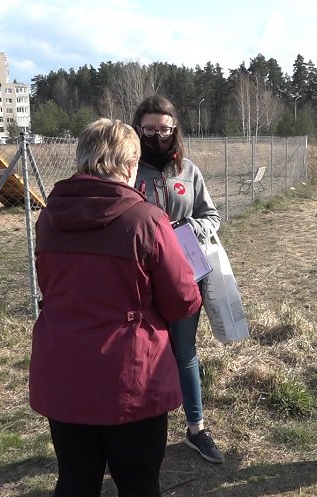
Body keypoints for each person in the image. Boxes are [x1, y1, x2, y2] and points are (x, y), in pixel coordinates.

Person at [29, 118, 201, 497]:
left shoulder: (48, 218)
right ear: (127, 165)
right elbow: (182, 299)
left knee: (74, 481)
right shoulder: (146, 220)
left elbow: (51, 285)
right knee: (139, 486)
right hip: (130, 377)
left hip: (63, 370)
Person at [132, 95, 225, 464]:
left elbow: (212, 215)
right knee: (144, 353)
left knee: (184, 352)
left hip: (187, 275)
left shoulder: (189, 171)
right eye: (150, 129)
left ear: (175, 130)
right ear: (138, 129)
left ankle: (196, 428)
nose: (158, 136)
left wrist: (188, 227)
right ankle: (140, 426)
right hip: (140, 280)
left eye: (165, 129)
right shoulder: (128, 170)